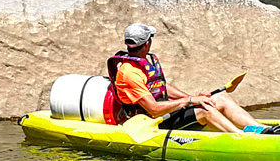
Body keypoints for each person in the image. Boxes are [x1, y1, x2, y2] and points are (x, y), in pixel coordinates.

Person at [108, 22, 260, 133]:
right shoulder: (129, 73)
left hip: (163, 113)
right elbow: (153, 109)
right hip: (150, 122)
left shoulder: (146, 62)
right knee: (204, 111)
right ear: (147, 43)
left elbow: (160, 86)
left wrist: (193, 98)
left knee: (219, 99)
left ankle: (263, 131)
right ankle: (242, 138)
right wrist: (190, 101)